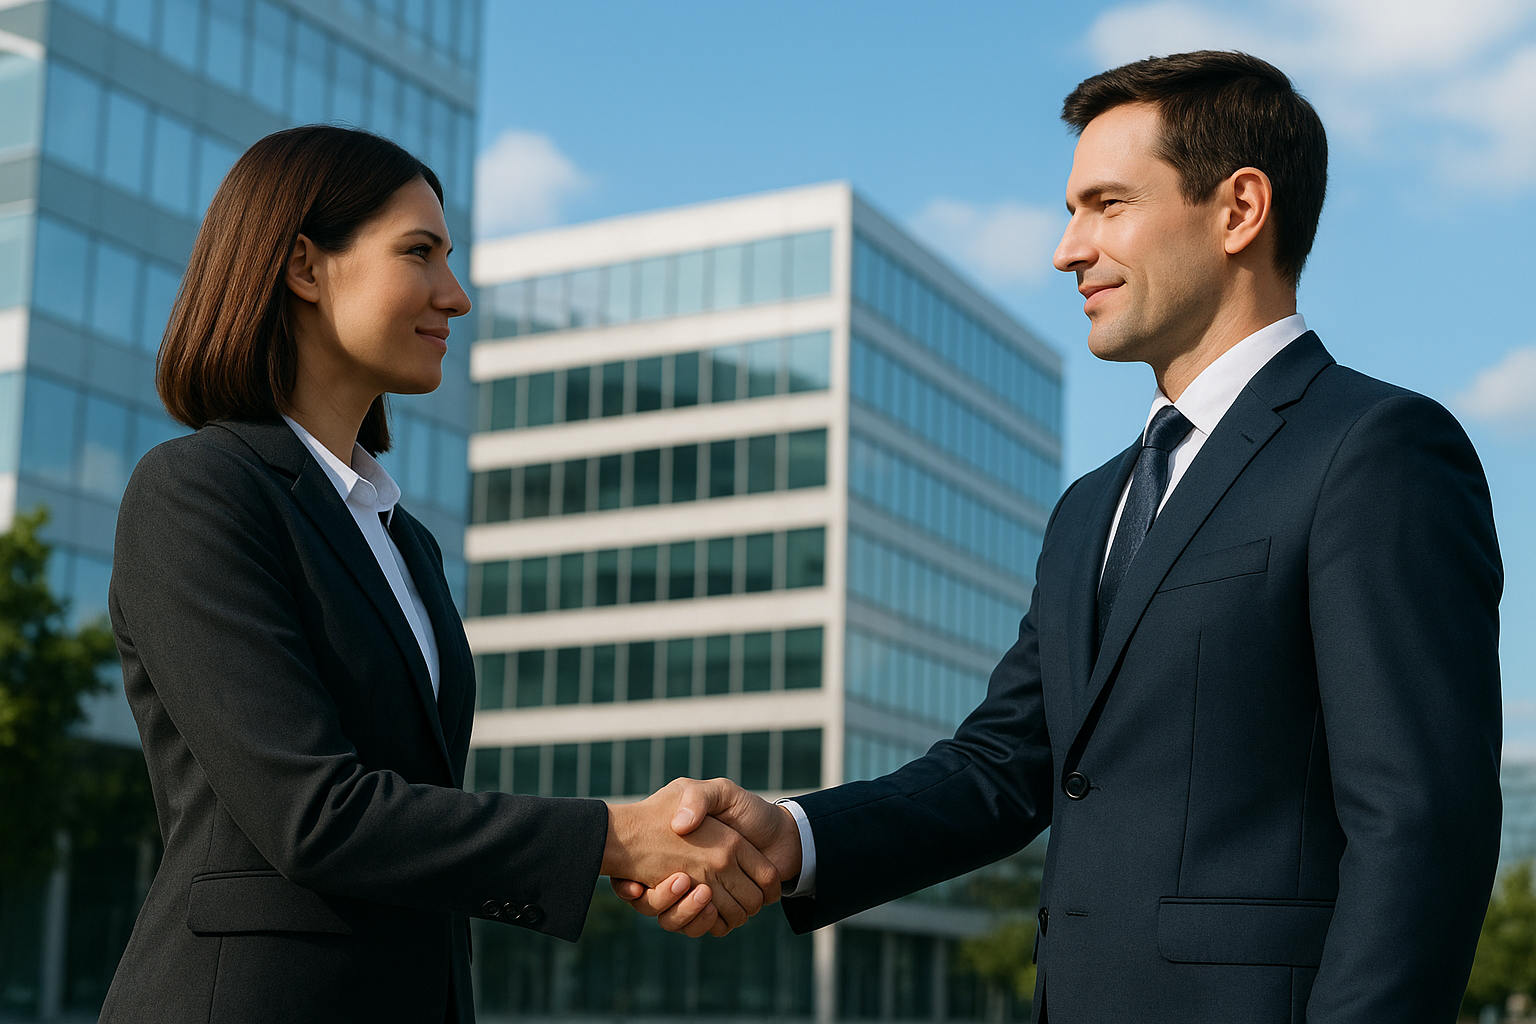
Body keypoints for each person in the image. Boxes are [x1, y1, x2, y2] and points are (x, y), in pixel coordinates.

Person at [617, 51, 1504, 1021]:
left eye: (1106, 204)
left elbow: (1421, 823)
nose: (1066, 248)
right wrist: (792, 835)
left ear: (1239, 209)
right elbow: (1004, 766)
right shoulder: (1092, 503)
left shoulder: (1376, 451)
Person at [102, 125, 778, 1024]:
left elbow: (418, 813)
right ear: (304, 267)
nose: (454, 296)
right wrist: (617, 838)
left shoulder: (401, 538)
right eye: (419, 253)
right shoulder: (196, 490)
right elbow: (314, 813)